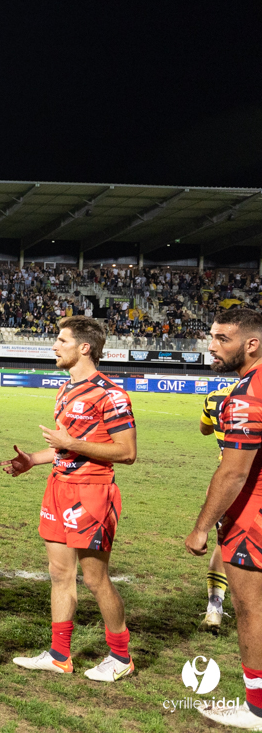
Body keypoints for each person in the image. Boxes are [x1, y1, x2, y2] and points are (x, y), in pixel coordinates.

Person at [3, 316, 137, 683]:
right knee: (60, 574)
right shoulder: (65, 390)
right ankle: (59, 655)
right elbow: (64, 449)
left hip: (92, 493)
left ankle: (121, 656)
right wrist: (33, 459)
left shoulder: (110, 394)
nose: (54, 346)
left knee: (95, 579)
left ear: (84, 347)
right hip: (58, 488)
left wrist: (70, 443)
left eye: (62, 340)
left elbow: (127, 452)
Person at [185, 308, 262, 730]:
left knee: (250, 609)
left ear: (251, 344)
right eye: (211, 337)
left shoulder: (247, 393)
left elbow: (233, 472)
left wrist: (201, 528)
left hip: (253, 516)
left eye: (222, 339)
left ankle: (257, 708)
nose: (211, 347)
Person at [198, 378, 238, 631]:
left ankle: (214, 609)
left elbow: (204, 429)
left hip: (226, 484)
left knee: (223, 545)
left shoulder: (214, 397)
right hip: (253, 481)